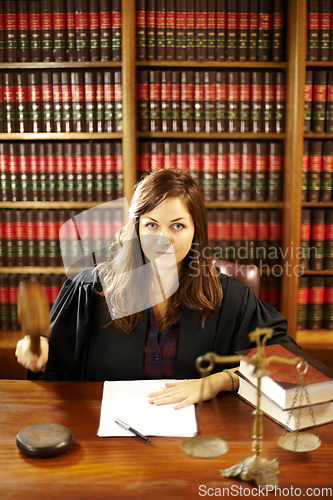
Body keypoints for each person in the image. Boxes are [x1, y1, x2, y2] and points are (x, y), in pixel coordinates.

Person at [16, 169, 297, 409]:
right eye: (151, 225)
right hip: (105, 442)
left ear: (195, 230)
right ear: (136, 228)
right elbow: (55, 369)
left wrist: (218, 382)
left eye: (177, 226)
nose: (163, 239)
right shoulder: (88, 291)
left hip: (199, 438)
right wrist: (39, 355)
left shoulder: (229, 298)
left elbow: (286, 361)